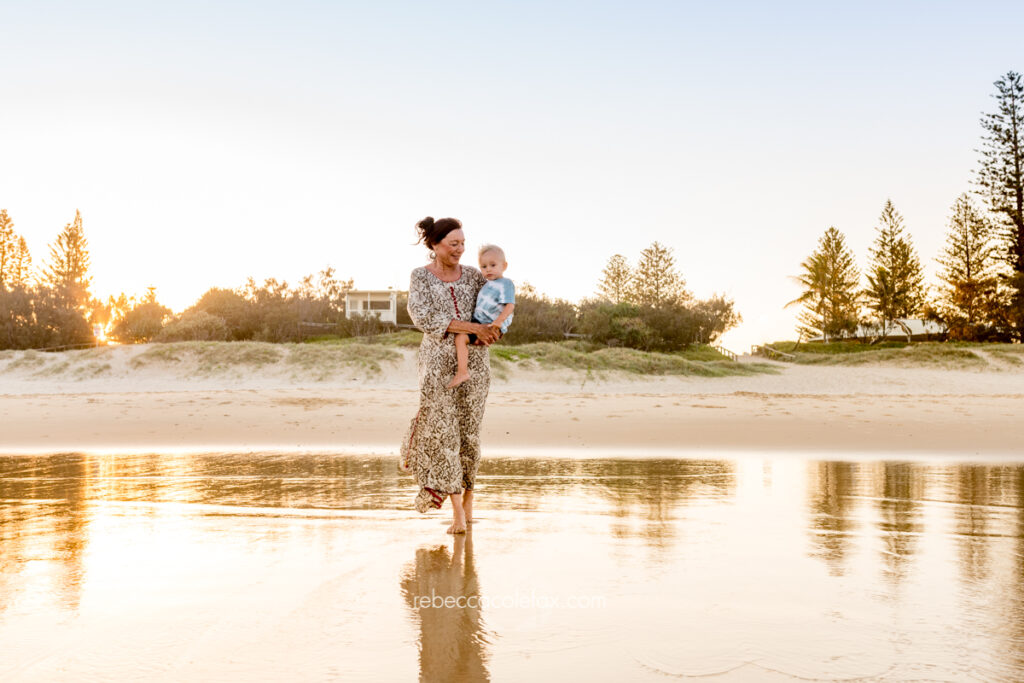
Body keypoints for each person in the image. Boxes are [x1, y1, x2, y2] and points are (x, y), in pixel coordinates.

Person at [400, 216, 500, 534]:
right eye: (453, 244)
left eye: (462, 244)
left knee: (470, 437)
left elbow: (493, 305)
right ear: (435, 245)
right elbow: (424, 316)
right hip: (436, 370)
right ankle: (456, 512)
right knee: (445, 437)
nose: (460, 249)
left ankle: (469, 502)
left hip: (476, 367)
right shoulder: (421, 277)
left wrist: (496, 328)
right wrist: (472, 327)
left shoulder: (473, 275)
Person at [447, 245, 515, 389]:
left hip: (492, 325)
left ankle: (462, 372)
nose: (488, 269)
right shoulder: (486, 285)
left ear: (504, 266)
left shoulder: (506, 284)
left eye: (493, 265)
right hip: (479, 323)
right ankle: (463, 372)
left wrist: (498, 322)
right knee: (460, 338)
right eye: (483, 266)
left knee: (461, 337)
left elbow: (510, 306)